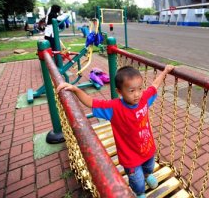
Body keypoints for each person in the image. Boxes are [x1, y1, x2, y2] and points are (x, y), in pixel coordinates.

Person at [56, 65, 175, 198]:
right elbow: (91, 102)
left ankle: (147, 175)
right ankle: (139, 193)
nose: (137, 94)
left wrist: (165, 71)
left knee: (149, 167)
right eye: (131, 90)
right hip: (130, 157)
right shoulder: (114, 108)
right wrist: (75, 89)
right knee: (137, 182)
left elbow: (154, 86)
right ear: (119, 92)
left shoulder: (144, 99)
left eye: (139, 89)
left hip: (148, 149)